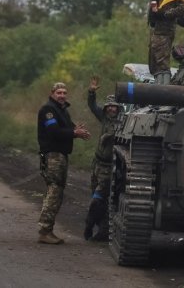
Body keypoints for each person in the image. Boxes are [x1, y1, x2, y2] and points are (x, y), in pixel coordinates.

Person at [37, 82, 90, 244]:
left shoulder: (61, 110)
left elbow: (67, 128)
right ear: (52, 93)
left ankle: (47, 230)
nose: (62, 95)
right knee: (54, 191)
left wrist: (77, 131)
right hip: (53, 155)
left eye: (64, 92)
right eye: (59, 92)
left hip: (61, 155)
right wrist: (74, 133)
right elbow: (53, 131)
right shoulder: (48, 110)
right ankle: (45, 231)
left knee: (57, 192)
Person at [83, 76, 122, 242]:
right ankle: (103, 231)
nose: (112, 109)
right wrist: (91, 92)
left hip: (108, 167)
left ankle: (89, 226)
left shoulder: (123, 122)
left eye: (115, 107)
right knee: (98, 198)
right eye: (110, 106)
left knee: (97, 201)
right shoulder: (105, 118)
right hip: (97, 164)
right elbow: (92, 106)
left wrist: (109, 135)